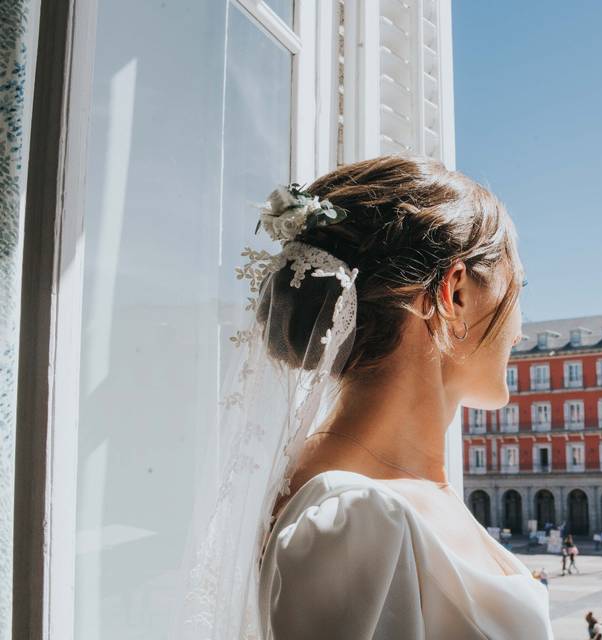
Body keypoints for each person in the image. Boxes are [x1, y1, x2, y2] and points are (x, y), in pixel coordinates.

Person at [201, 157, 553, 639]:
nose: (519, 332)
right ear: (454, 294)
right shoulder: (354, 521)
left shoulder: (386, 499)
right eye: (519, 288)